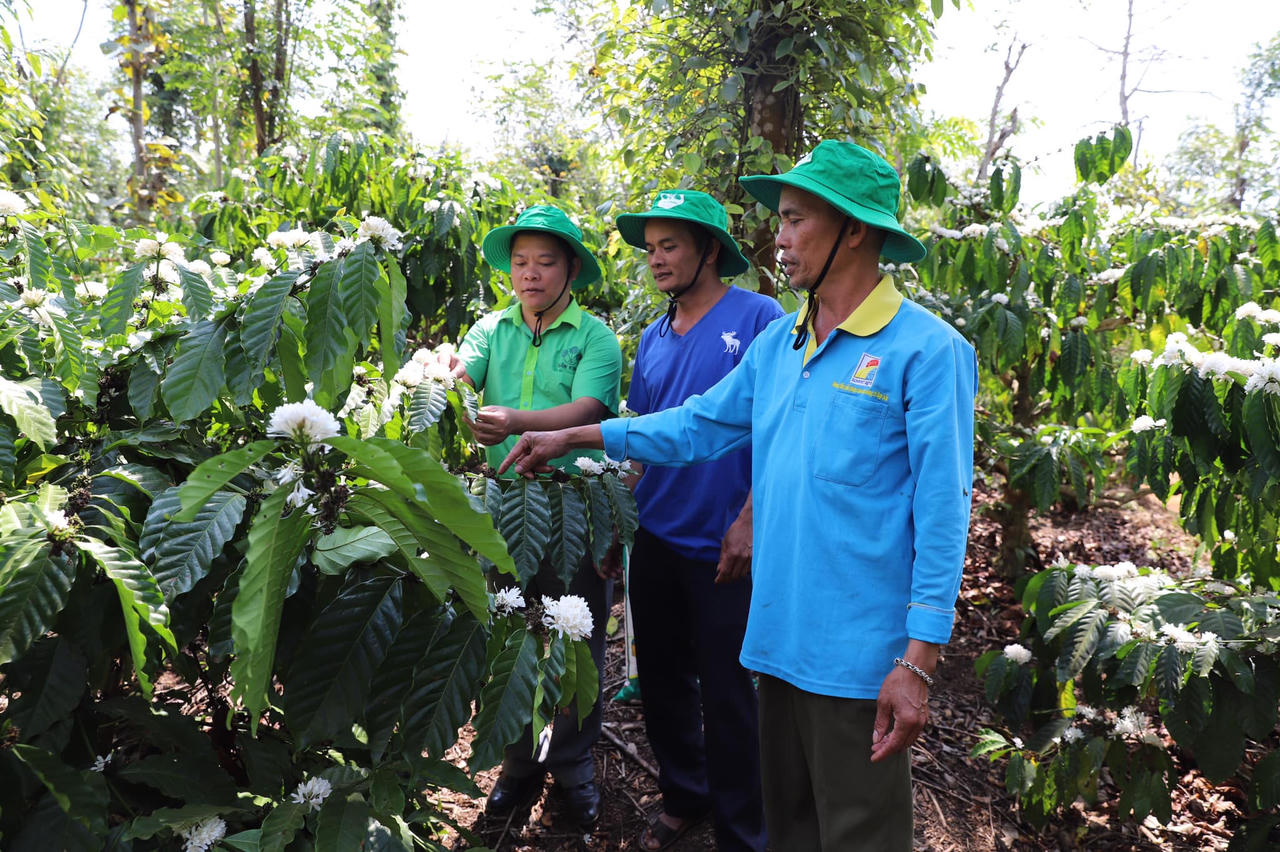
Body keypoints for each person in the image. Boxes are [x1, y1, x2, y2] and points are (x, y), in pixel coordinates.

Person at [497, 141, 977, 851]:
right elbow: (696, 426)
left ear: (856, 228)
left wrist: (917, 663)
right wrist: (576, 439)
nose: (779, 238)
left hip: (859, 662)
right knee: (789, 829)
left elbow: (944, 512)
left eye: (793, 220)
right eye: (778, 220)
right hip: (776, 644)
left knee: (858, 835)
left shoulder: (927, 351)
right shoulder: (783, 344)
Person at [610, 190, 782, 851]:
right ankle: (686, 792)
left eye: (670, 246)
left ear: (710, 250)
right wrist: (618, 523)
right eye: (650, 248)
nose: (656, 260)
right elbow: (642, 439)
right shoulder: (654, 338)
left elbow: (776, 429)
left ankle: (744, 828)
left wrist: (748, 519)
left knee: (729, 691)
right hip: (655, 538)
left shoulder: (760, 318)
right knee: (661, 679)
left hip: (724, 545)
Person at [450, 204, 622, 827]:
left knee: (577, 635)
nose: (531, 274)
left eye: (546, 262)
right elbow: (461, 373)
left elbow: (589, 411)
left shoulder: (596, 338)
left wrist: (518, 421)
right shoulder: (490, 330)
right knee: (509, 631)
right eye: (521, 262)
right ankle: (518, 763)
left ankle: (573, 767)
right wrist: (444, 378)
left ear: (571, 269)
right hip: (502, 506)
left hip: (575, 504)